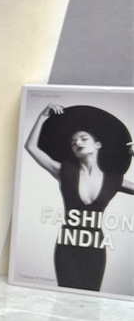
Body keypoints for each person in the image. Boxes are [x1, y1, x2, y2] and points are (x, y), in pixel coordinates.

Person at [24, 104, 134, 292]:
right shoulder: (64, 171)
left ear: (97, 145)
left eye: (83, 138)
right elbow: (31, 147)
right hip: (67, 247)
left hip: (95, 248)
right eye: (73, 142)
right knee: (66, 298)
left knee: (91, 297)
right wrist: (42, 116)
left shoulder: (113, 180)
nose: (78, 143)